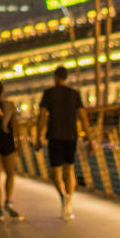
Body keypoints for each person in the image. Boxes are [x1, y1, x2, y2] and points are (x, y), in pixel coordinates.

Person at [36, 66, 93, 220]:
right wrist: (90, 139)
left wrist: (38, 138)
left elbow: (41, 117)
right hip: (70, 137)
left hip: (55, 137)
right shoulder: (74, 94)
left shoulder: (48, 94)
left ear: (55, 77)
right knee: (69, 170)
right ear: (66, 77)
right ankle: (67, 200)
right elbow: (83, 117)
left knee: (56, 174)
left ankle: (65, 200)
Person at [0, 81, 22, 221]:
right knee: (10, 173)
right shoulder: (10, 105)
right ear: (2, 91)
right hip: (7, 140)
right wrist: (18, 142)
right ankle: (7, 200)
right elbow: (15, 125)